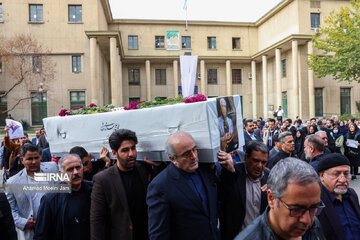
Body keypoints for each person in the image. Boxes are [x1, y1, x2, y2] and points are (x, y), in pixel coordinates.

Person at [147, 131, 234, 240]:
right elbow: (158, 235)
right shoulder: (160, 186)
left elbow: (221, 199)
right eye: (186, 154)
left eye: (194, 149)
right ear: (172, 159)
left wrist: (229, 171)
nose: (193, 156)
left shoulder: (205, 170)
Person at [91, 129, 162, 240]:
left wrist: (158, 167)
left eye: (133, 148)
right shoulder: (103, 179)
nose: (131, 154)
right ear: (114, 153)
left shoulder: (143, 169)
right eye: (125, 150)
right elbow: (97, 220)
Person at [234, 158, 326, 240]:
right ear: (271, 198)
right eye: (297, 209)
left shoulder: (313, 225)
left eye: (313, 208)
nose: (307, 220)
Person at [34, 154, 93, 240]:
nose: (76, 172)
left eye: (78, 167)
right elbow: (41, 234)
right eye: (70, 169)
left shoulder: (94, 190)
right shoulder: (50, 199)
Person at [6, 144, 58, 240]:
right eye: (29, 159)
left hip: (54, 226)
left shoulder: (52, 169)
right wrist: (22, 222)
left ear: (40, 157)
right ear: (22, 160)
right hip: (31, 230)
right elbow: (9, 209)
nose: (34, 162)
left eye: (36, 158)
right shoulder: (13, 182)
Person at [219, 141, 269, 240]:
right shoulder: (232, 173)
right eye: (256, 160)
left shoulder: (270, 178)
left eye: (263, 162)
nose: (259, 166)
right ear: (246, 157)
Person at [317, 153, 360, 240]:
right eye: (336, 174)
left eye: (346, 174)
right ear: (322, 176)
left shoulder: (351, 194)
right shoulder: (315, 202)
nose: (343, 179)